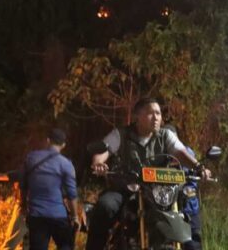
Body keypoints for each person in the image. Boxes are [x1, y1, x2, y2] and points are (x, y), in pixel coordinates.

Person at [86, 98, 211, 250]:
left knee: (187, 212)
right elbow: (103, 150)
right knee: (105, 206)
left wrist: (198, 166)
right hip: (127, 188)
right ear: (137, 116)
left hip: (158, 192)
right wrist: (98, 163)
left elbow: (180, 152)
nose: (156, 117)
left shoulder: (165, 135)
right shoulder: (121, 134)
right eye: (150, 113)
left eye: (158, 113)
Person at [22, 128, 81, 250]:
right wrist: (75, 217)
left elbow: (23, 185)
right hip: (58, 216)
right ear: (63, 145)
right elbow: (72, 194)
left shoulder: (31, 158)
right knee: (65, 245)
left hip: (37, 215)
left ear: (47, 141)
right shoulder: (66, 164)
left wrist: (23, 205)